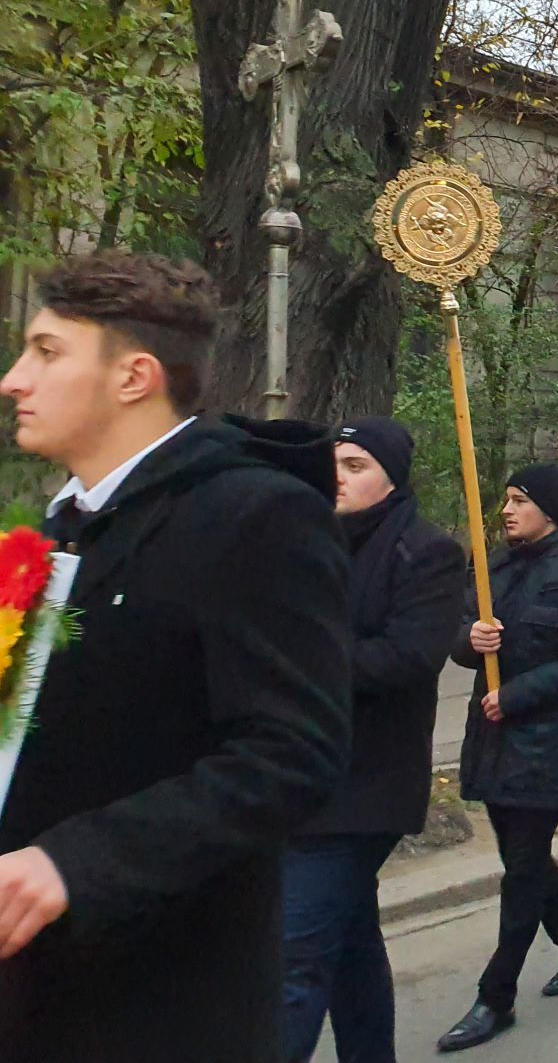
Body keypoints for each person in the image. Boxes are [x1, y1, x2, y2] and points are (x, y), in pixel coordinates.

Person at [0, 251, 351, 1063]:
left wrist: (72, 864)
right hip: (36, 993)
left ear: (135, 377)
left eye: (46, 352)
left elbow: (292, 753)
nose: (15, 380)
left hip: (157, 1004)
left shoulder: (256, 517)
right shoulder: (58, 530)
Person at [284, 417, 464, 1062]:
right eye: (333, 462)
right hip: (298, 773)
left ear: (392, 478)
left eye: (356, 465)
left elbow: (408, 657)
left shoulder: (426, 552)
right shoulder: (304, 540)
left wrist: (296, 661)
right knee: (351, 941)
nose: (337, 476)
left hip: (366, 785)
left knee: (292, 957)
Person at [437, 463, 558, 1053]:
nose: (507, 510)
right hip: (494, 740)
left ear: (550, 508)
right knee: (526, 859)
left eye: (519, 500)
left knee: (521, 870)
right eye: (506, 499)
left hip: (548, 743)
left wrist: (517, 695)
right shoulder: (495, 565)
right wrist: (470, 640)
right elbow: (458, 632)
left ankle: (496, 996)